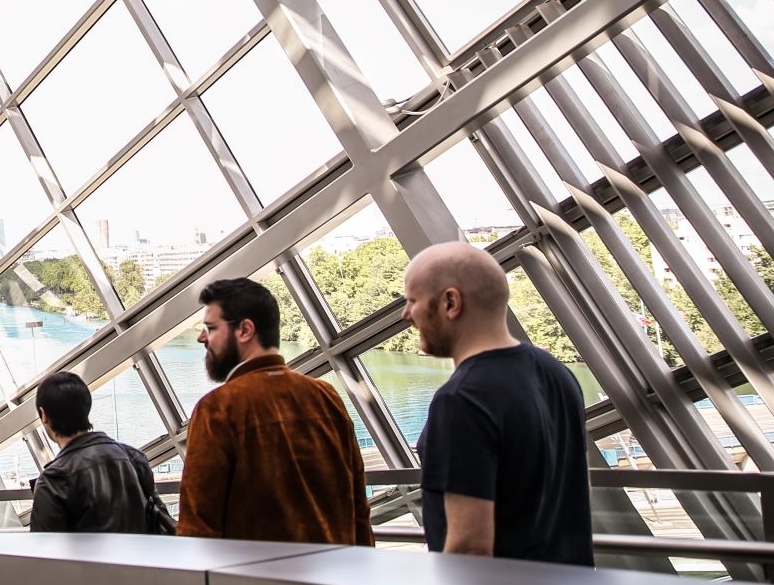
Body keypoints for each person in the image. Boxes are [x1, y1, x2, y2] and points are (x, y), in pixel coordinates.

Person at [403, 241, 592, 565]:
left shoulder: (461, 400)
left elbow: (470, 549)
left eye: (412, 300)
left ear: (451, 302)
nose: (407, 314)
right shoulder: (556, 372)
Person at [178, 277, 372, 545]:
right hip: (336, 579)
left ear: (245, 330)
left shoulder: (218, 409)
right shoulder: (326, 396)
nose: (201, 338)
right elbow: (358, 507)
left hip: (258, 583)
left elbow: (198, 526)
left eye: (210, 328)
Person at [29, 371, 164, 534]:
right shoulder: (134, 457)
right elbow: (159, 518)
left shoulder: (54, 480)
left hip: (89, 560)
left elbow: (45, 551)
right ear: (86, 407)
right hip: (141, 559)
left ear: (44, 415)